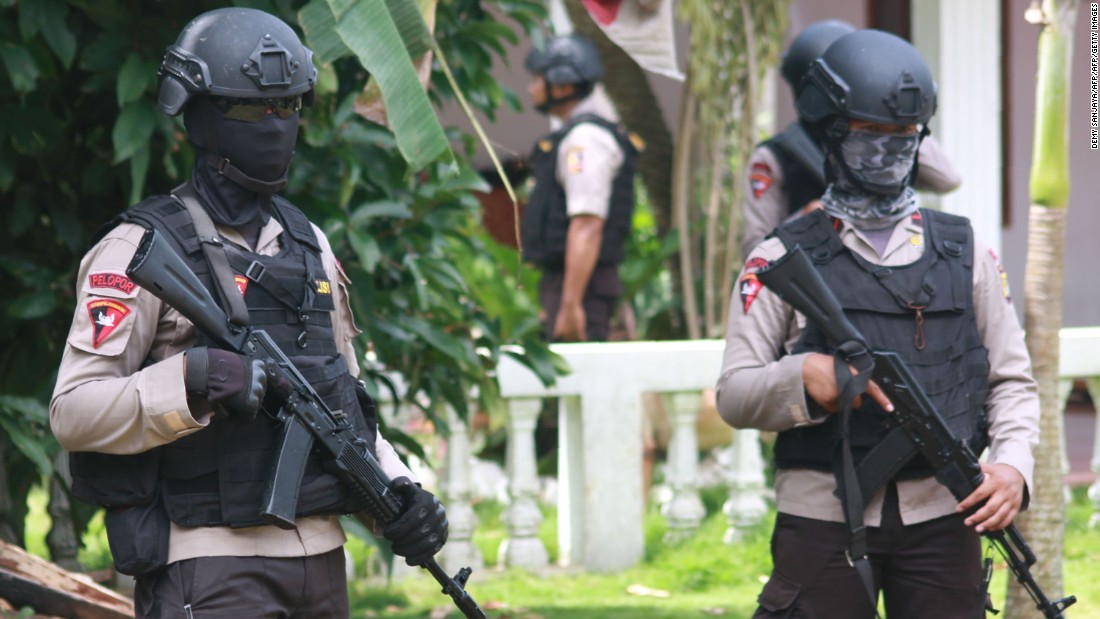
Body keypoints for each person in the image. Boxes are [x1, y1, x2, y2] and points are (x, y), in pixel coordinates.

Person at [49, 8, 447, 618]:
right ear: (201, 117)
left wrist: (402, 491)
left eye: (289, 107)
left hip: (320, 560)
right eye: (248, 109)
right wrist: (190, 380)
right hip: (208, 562)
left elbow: (342, 401)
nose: (274, 124)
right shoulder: (140, 250)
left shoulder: (309, 242)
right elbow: (73, 413)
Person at [717, 29, 1039, 618]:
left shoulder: (966, 251)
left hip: (948, 514)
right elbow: (734, 393)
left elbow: (1012, 381)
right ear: (833, 135)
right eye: (870, 137)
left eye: (904, 138)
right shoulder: (778, 257)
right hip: (822, 520)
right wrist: (804, 377)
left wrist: (1013, 464)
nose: (888, 154)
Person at [740, 19, 963, 258]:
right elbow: (755, 250)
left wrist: (899, 126)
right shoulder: (775, 157)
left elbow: (948, 178)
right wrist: (805, 219)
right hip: (818, 278)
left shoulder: (890, 140)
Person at [520, 33, 642, 343]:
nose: (531, 87)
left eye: (537, 79)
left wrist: (571, 304)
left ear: (562, 84)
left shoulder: (584, 140)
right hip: (573, 284)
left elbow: (587, 225)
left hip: (583, 289)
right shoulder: (575, 135)